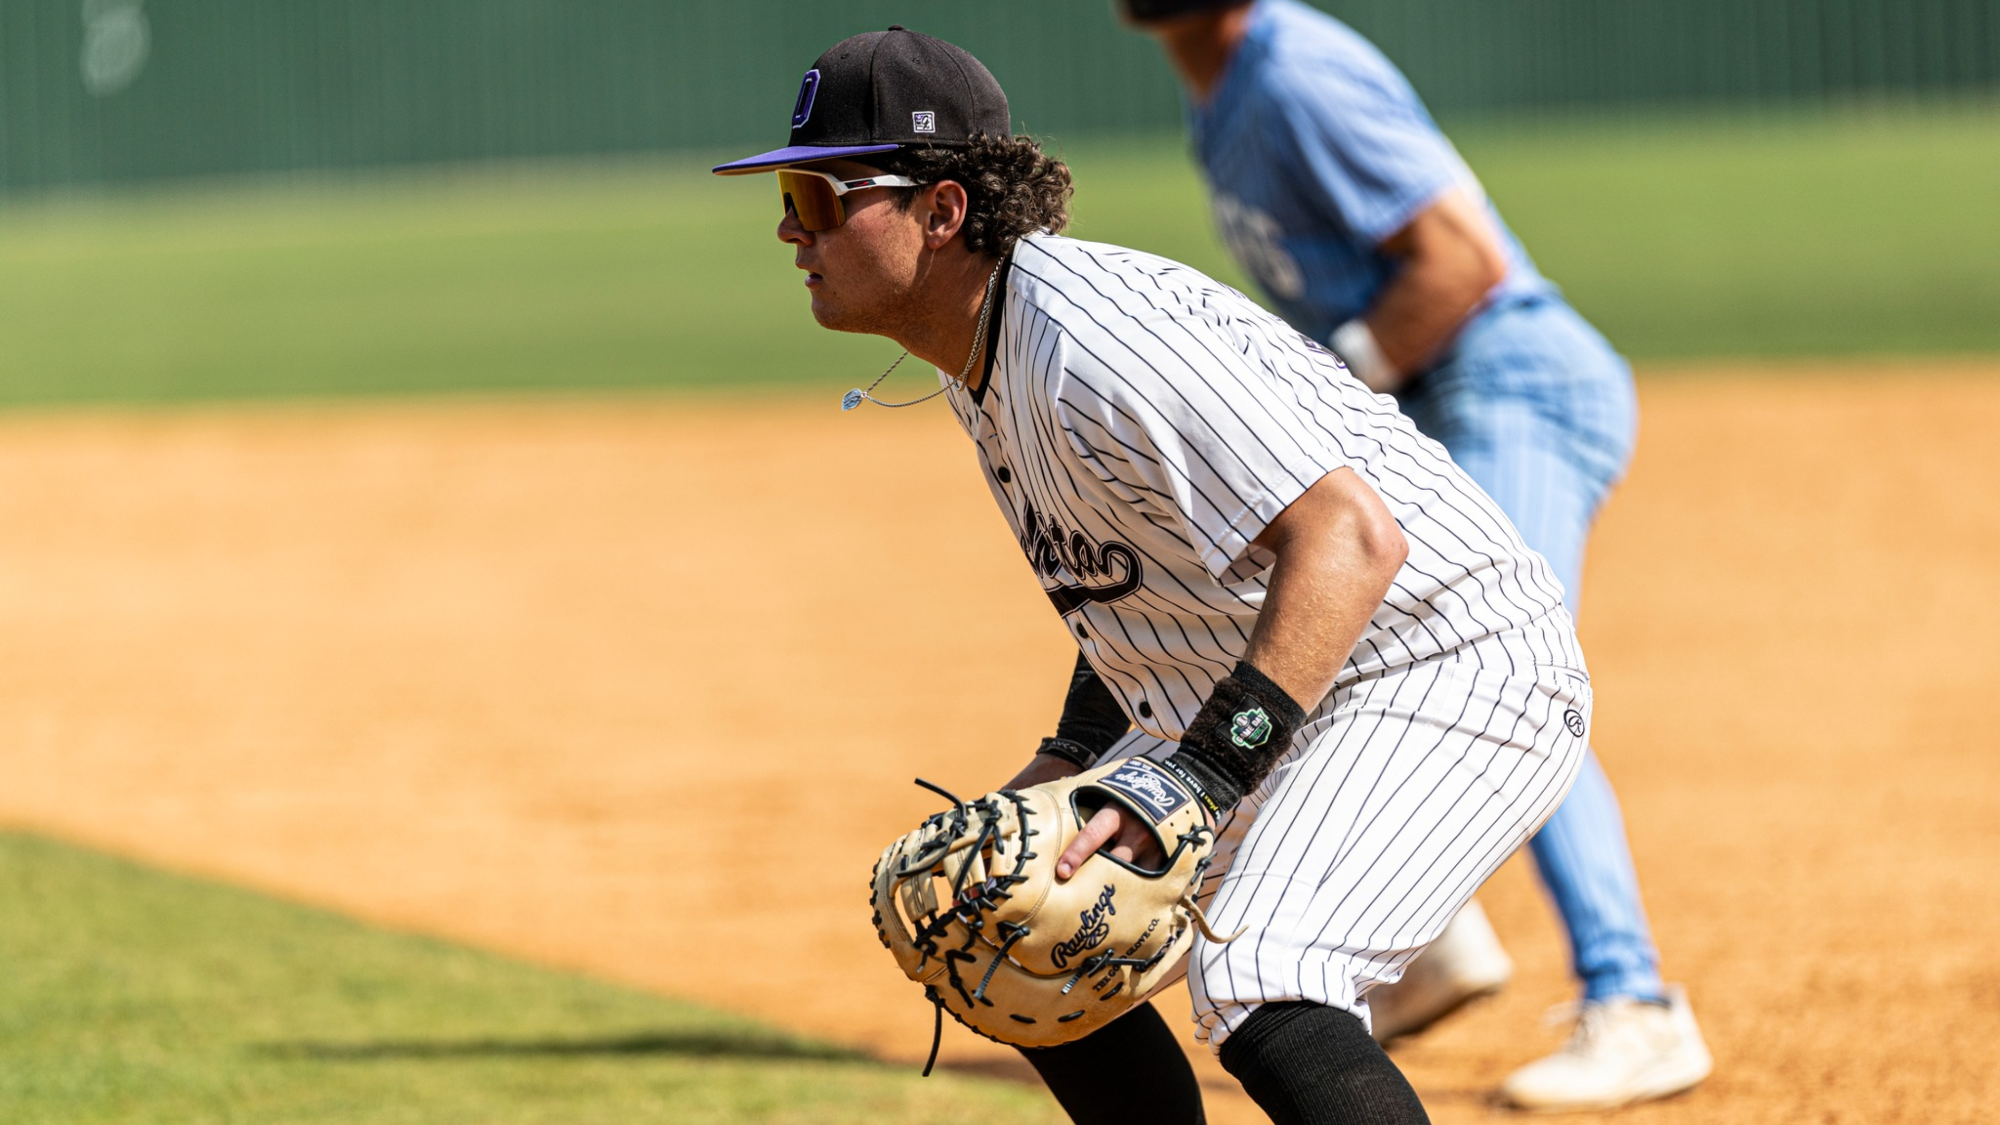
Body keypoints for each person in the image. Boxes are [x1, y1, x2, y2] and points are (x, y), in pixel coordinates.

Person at [717, 27, 1603, 1125]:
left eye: (817, 196)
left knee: (1265, 974)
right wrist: (1064, 766)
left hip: (1438, 656)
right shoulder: (982, 349)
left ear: (941, 211)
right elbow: (1133, 595)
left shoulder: (1084, 337)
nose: (787, 228)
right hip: (1303, 662)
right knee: (993, 909)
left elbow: (1351, 539)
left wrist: (1194, 782)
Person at [1117, 0, 1711, 1111]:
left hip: (1508, 383)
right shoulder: (1220, 84)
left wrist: (1326, 388)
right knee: (1326, 642)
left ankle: (1633, 1004)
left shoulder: (1293, 70)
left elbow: (1457, 260)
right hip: (1432, 399)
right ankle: (1425, 949)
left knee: (1501, 673)